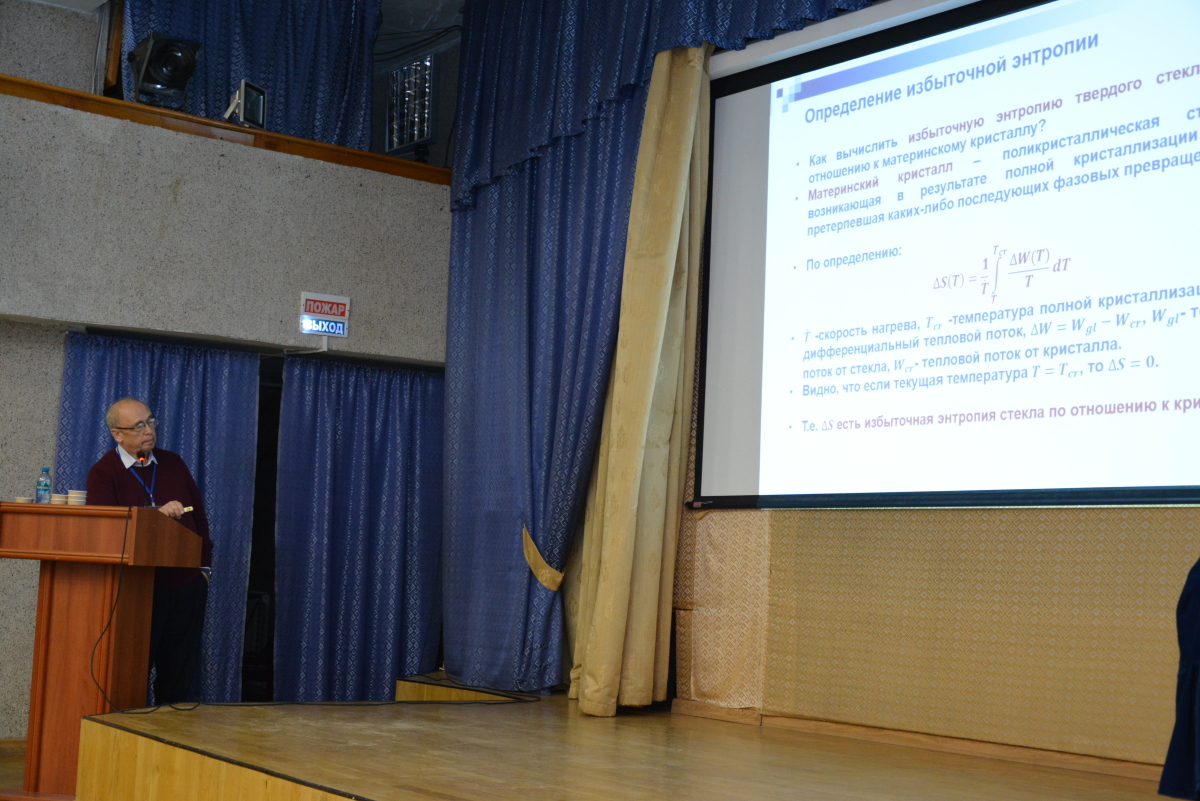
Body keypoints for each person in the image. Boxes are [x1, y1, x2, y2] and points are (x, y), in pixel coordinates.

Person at [86, 397, 213, 705]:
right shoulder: (104, 473)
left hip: (185, 584)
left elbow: (198, 517)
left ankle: (172, 731)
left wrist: (204, 570)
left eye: (151, 421)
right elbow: (107, 532)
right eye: (139, 426)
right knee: (133, 672)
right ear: (118, 434)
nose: (149, 431)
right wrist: (154, 515)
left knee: (179, 674)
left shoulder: (173, 463)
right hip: (137, 590)